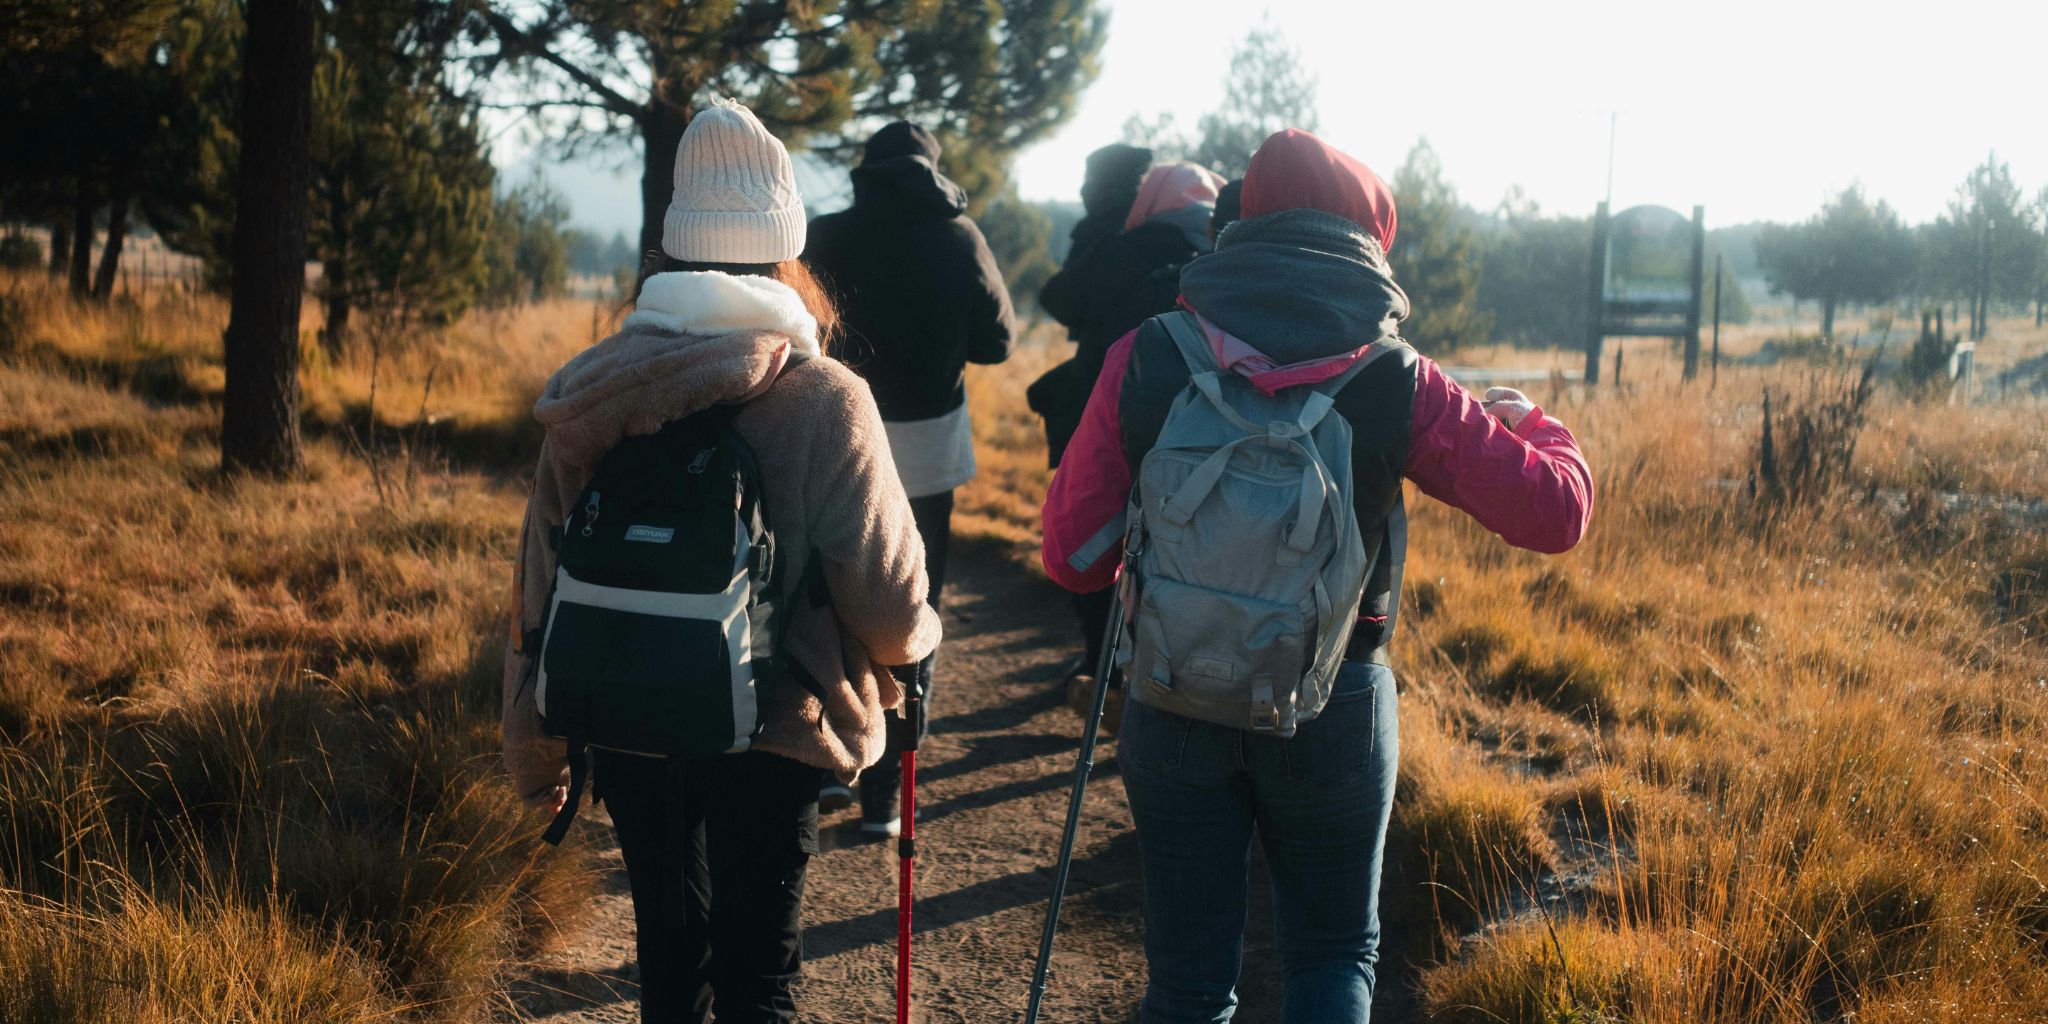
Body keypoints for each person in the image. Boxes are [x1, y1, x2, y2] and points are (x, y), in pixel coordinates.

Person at [1039, 128, 1594, 1023]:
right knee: (1333, 954)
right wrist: (1534, 424)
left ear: (1244, 224)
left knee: (1186, 985)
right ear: (1370, 244)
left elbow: (1072, 556)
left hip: (1173, 691)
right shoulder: (1398, 381)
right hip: (1332, 701)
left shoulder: (1150, 353)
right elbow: (1557, 512)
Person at [501, 97, 941, 1024]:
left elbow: (537, 585)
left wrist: (531, 753)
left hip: (620, 715)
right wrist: (912, 654)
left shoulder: (592, 388)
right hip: (777, 731)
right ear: (786, 247)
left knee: (669, 960)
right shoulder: (826, 399)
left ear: (672, 245)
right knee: (757, 978)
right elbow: (892, 603)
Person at [803, 119, 1017, 833]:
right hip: (926, 450)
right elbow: (999, 341)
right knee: (912, 611)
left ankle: (829, 760)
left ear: (866, 170)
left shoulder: (826, 234)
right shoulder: (960, 238)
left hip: (834, 438)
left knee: (825, 597)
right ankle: (885, 800)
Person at [1035, 159, 1227, 720]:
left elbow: (1059, 299)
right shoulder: (1220, 254)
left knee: (1097, 537)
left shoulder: (1125, 247)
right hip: (1195, 428)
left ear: (1153, 199)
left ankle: (1100, 665)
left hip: (1107, 406)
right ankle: (1160, 670)